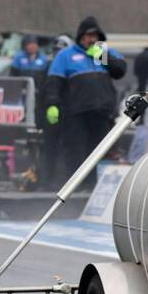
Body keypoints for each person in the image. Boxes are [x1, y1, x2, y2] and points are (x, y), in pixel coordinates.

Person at [44, 16, 128, 185]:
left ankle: (94, 188)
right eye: (88, 36)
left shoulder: (103, 53)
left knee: (99, 153)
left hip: (102, 112)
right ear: (81, 36)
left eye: (95, 36)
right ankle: (75, 188)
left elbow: (120, 71)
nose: (92, 40)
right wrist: (52, 104)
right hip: (76, 113)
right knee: (76, 152)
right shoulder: (66, 56)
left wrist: (103, 56)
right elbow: (54, 83)